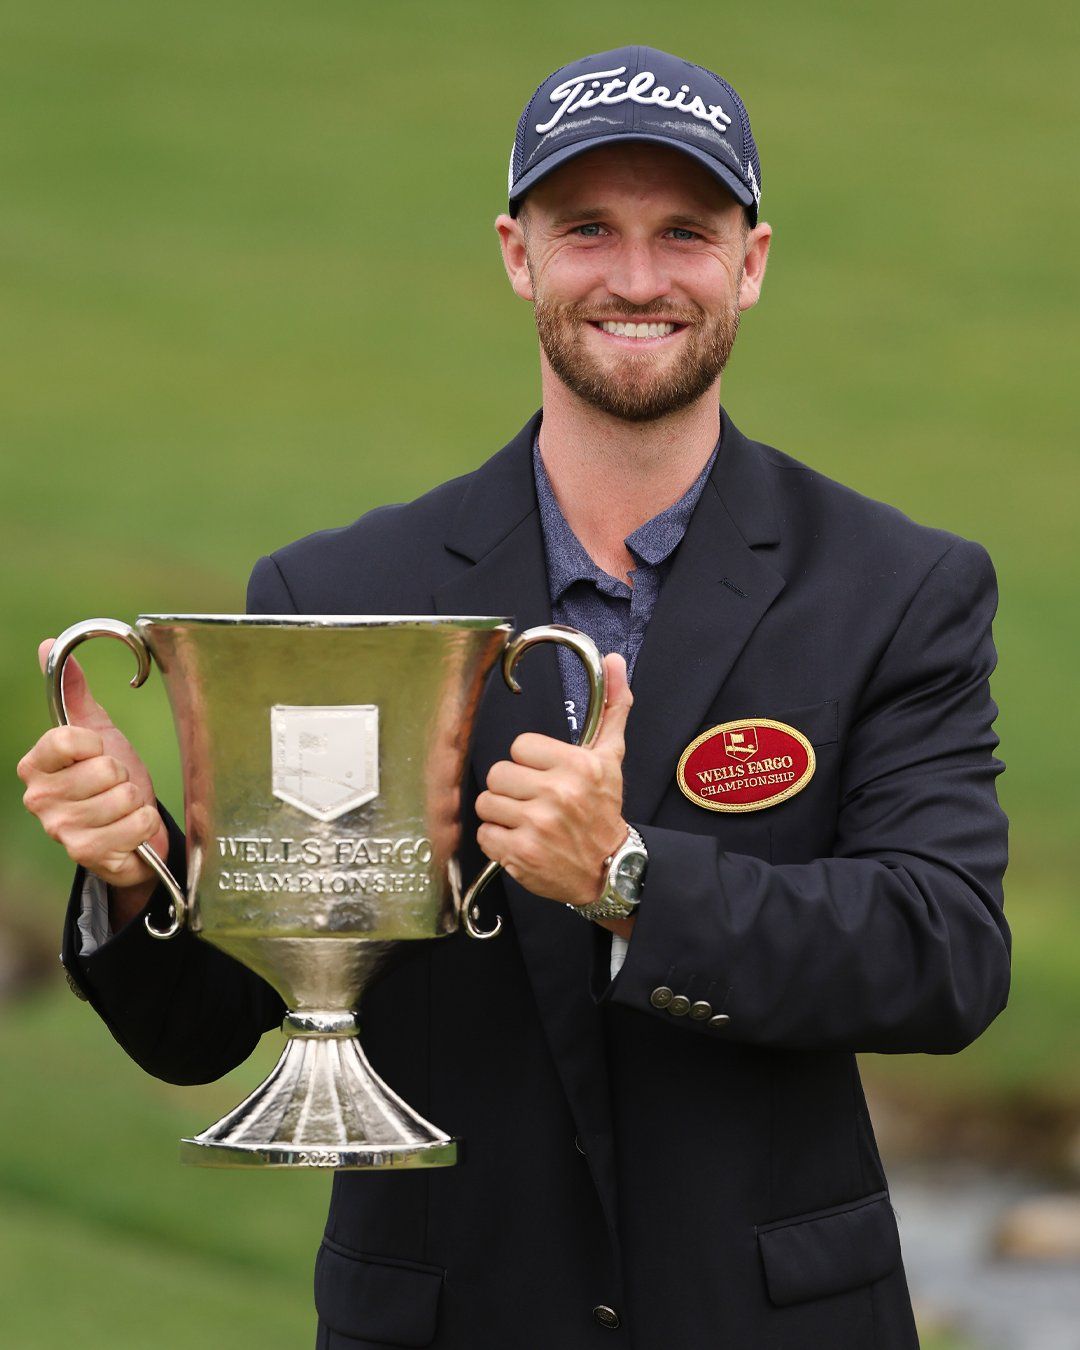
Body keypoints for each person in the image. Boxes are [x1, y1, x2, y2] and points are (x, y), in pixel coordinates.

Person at [17, 45, 1009, 1350]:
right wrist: (135, 871)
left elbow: (943, 951)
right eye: (588, 228)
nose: (639, 276)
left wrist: (632, 879)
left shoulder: (897, 585)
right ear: (516, 252)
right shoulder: (334, 589)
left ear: (752, 262)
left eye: (685, 233)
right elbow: (211, 1025)